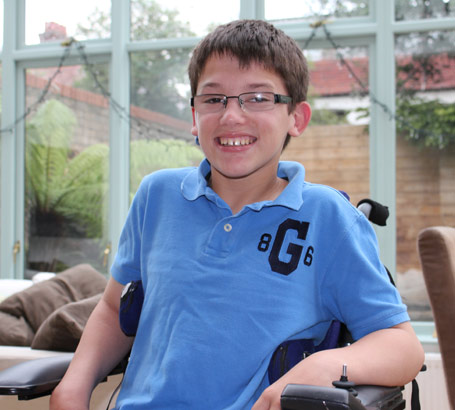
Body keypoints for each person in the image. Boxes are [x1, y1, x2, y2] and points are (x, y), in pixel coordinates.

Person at [50, 19, 424, 410]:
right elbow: (115, 310)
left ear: (296, 118)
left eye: (258, 97)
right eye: (213, 99)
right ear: (194, 116)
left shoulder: (330, 219)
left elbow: (402, 346)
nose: (231, 116)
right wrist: (74, 385)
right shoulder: (156, 196)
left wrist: (321, 366)